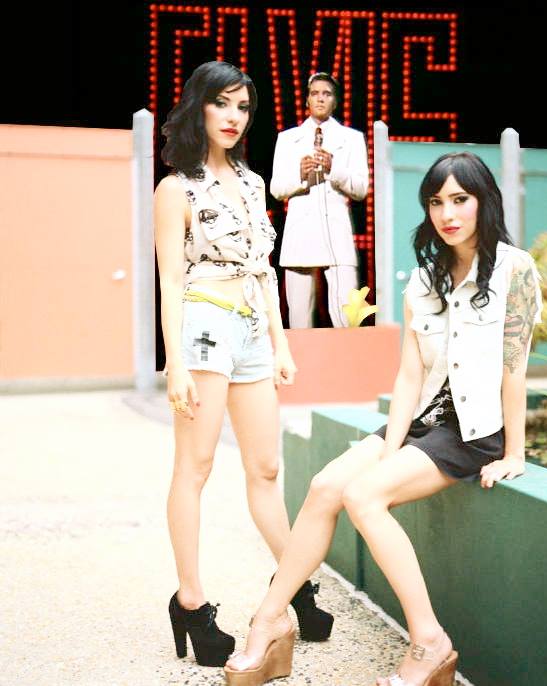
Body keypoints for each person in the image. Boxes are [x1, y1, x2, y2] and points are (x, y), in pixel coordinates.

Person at [224, 151, 543, 685]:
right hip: (425, 422)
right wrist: (391, 448)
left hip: (473, 431)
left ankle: (430, 642)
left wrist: (515, 453)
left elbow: (515, 367)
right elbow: (409, 377)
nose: (447, 214)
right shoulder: (424, 278)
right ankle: (271, 619)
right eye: (436, 202)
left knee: (364, 497)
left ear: (484, 201)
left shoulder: (516, 269)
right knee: (325, 487)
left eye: (460, 199)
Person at [154, 60, 333, 669]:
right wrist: (175, 363)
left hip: (253, 330)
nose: (233, 117)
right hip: (203, 326)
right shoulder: (176, 188)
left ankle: (294, 584)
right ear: (199, 106)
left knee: (265, 467)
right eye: (222, 103)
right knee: (196, 466)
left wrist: (280, 343)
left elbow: (263, 272)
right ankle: (191, 601)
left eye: (243, 107)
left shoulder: (254, 184)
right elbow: (171, 280)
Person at [270, 72, 369, 328]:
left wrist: (334, 169)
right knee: (299, 320)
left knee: (349, 319)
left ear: (335, 101)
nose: (320, 98)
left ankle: (349, 354)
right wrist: (300, 175)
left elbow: (361, 189)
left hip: (337, 233)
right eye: (315, 93)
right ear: (307, 100)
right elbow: (276, 189)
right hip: (300, 232)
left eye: (326, 94)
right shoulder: (288, 138)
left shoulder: (351, 138)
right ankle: (301, 356)